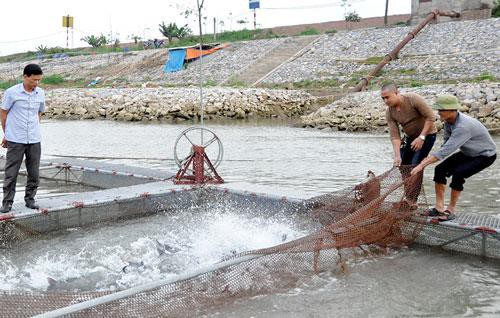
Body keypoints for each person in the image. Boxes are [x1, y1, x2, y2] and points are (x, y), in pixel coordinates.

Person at [411, 95, 497, 220]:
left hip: (485, 155)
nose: (438, 112)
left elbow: (445, 152)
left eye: (441, 110)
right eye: (438, 110)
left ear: (452, 110)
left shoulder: (463, 126)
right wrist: (429, 159)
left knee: (458, 174)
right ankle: (439, 208)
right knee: (440, 169)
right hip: (468, 152)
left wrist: (421, 165)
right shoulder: (448, 122)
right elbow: (445, 144)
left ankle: (451, 210)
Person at [381, 82, 437, 203]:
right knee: (403, 166)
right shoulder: (389, 112)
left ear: (396, 93)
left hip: (427, 135)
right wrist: (397, 156)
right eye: (383, 98)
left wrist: (421, 137)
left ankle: (412, 201)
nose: (386, 101)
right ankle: (408, 197)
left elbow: (431, 117)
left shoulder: (413, 99)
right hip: (410, 138)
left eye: (387, 97)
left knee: (415, 165)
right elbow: (395, 136)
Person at [0, 64, 45, 213]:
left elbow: (39, 113)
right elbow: (4, 114)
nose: (36, 83)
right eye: (33, 80)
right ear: (25, 77)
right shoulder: (11, 93)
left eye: (39, 80)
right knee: (11, 173)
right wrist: (7, 134)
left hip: (34, 139)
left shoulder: (40, 93)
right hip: (15, 139)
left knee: (34, 173)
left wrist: (35, 127)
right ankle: (7, 203)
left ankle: (30, 200)